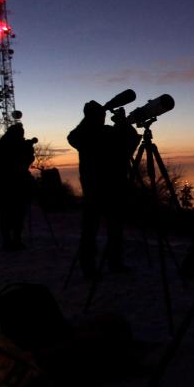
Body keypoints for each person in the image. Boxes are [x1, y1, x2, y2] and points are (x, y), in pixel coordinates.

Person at [68, 101, 141, 277]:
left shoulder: (97, 132)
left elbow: (131, 142)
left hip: (101, 187)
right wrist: (123, 125)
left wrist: (123, 123)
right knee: (98, 229)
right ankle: (100, 264)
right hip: (104, 187)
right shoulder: (90, 133)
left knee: (105, 229)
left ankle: (102, 264)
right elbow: (131, 142)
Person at [0, 124, 36, 250]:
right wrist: (27, 149)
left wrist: (27, 148)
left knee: (8, 213)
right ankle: (12, 240)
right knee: (15, 213)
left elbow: (26, 161)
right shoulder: (8, 146)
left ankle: (10, 240)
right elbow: (26, 161)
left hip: (3, 186)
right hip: (12, 185)